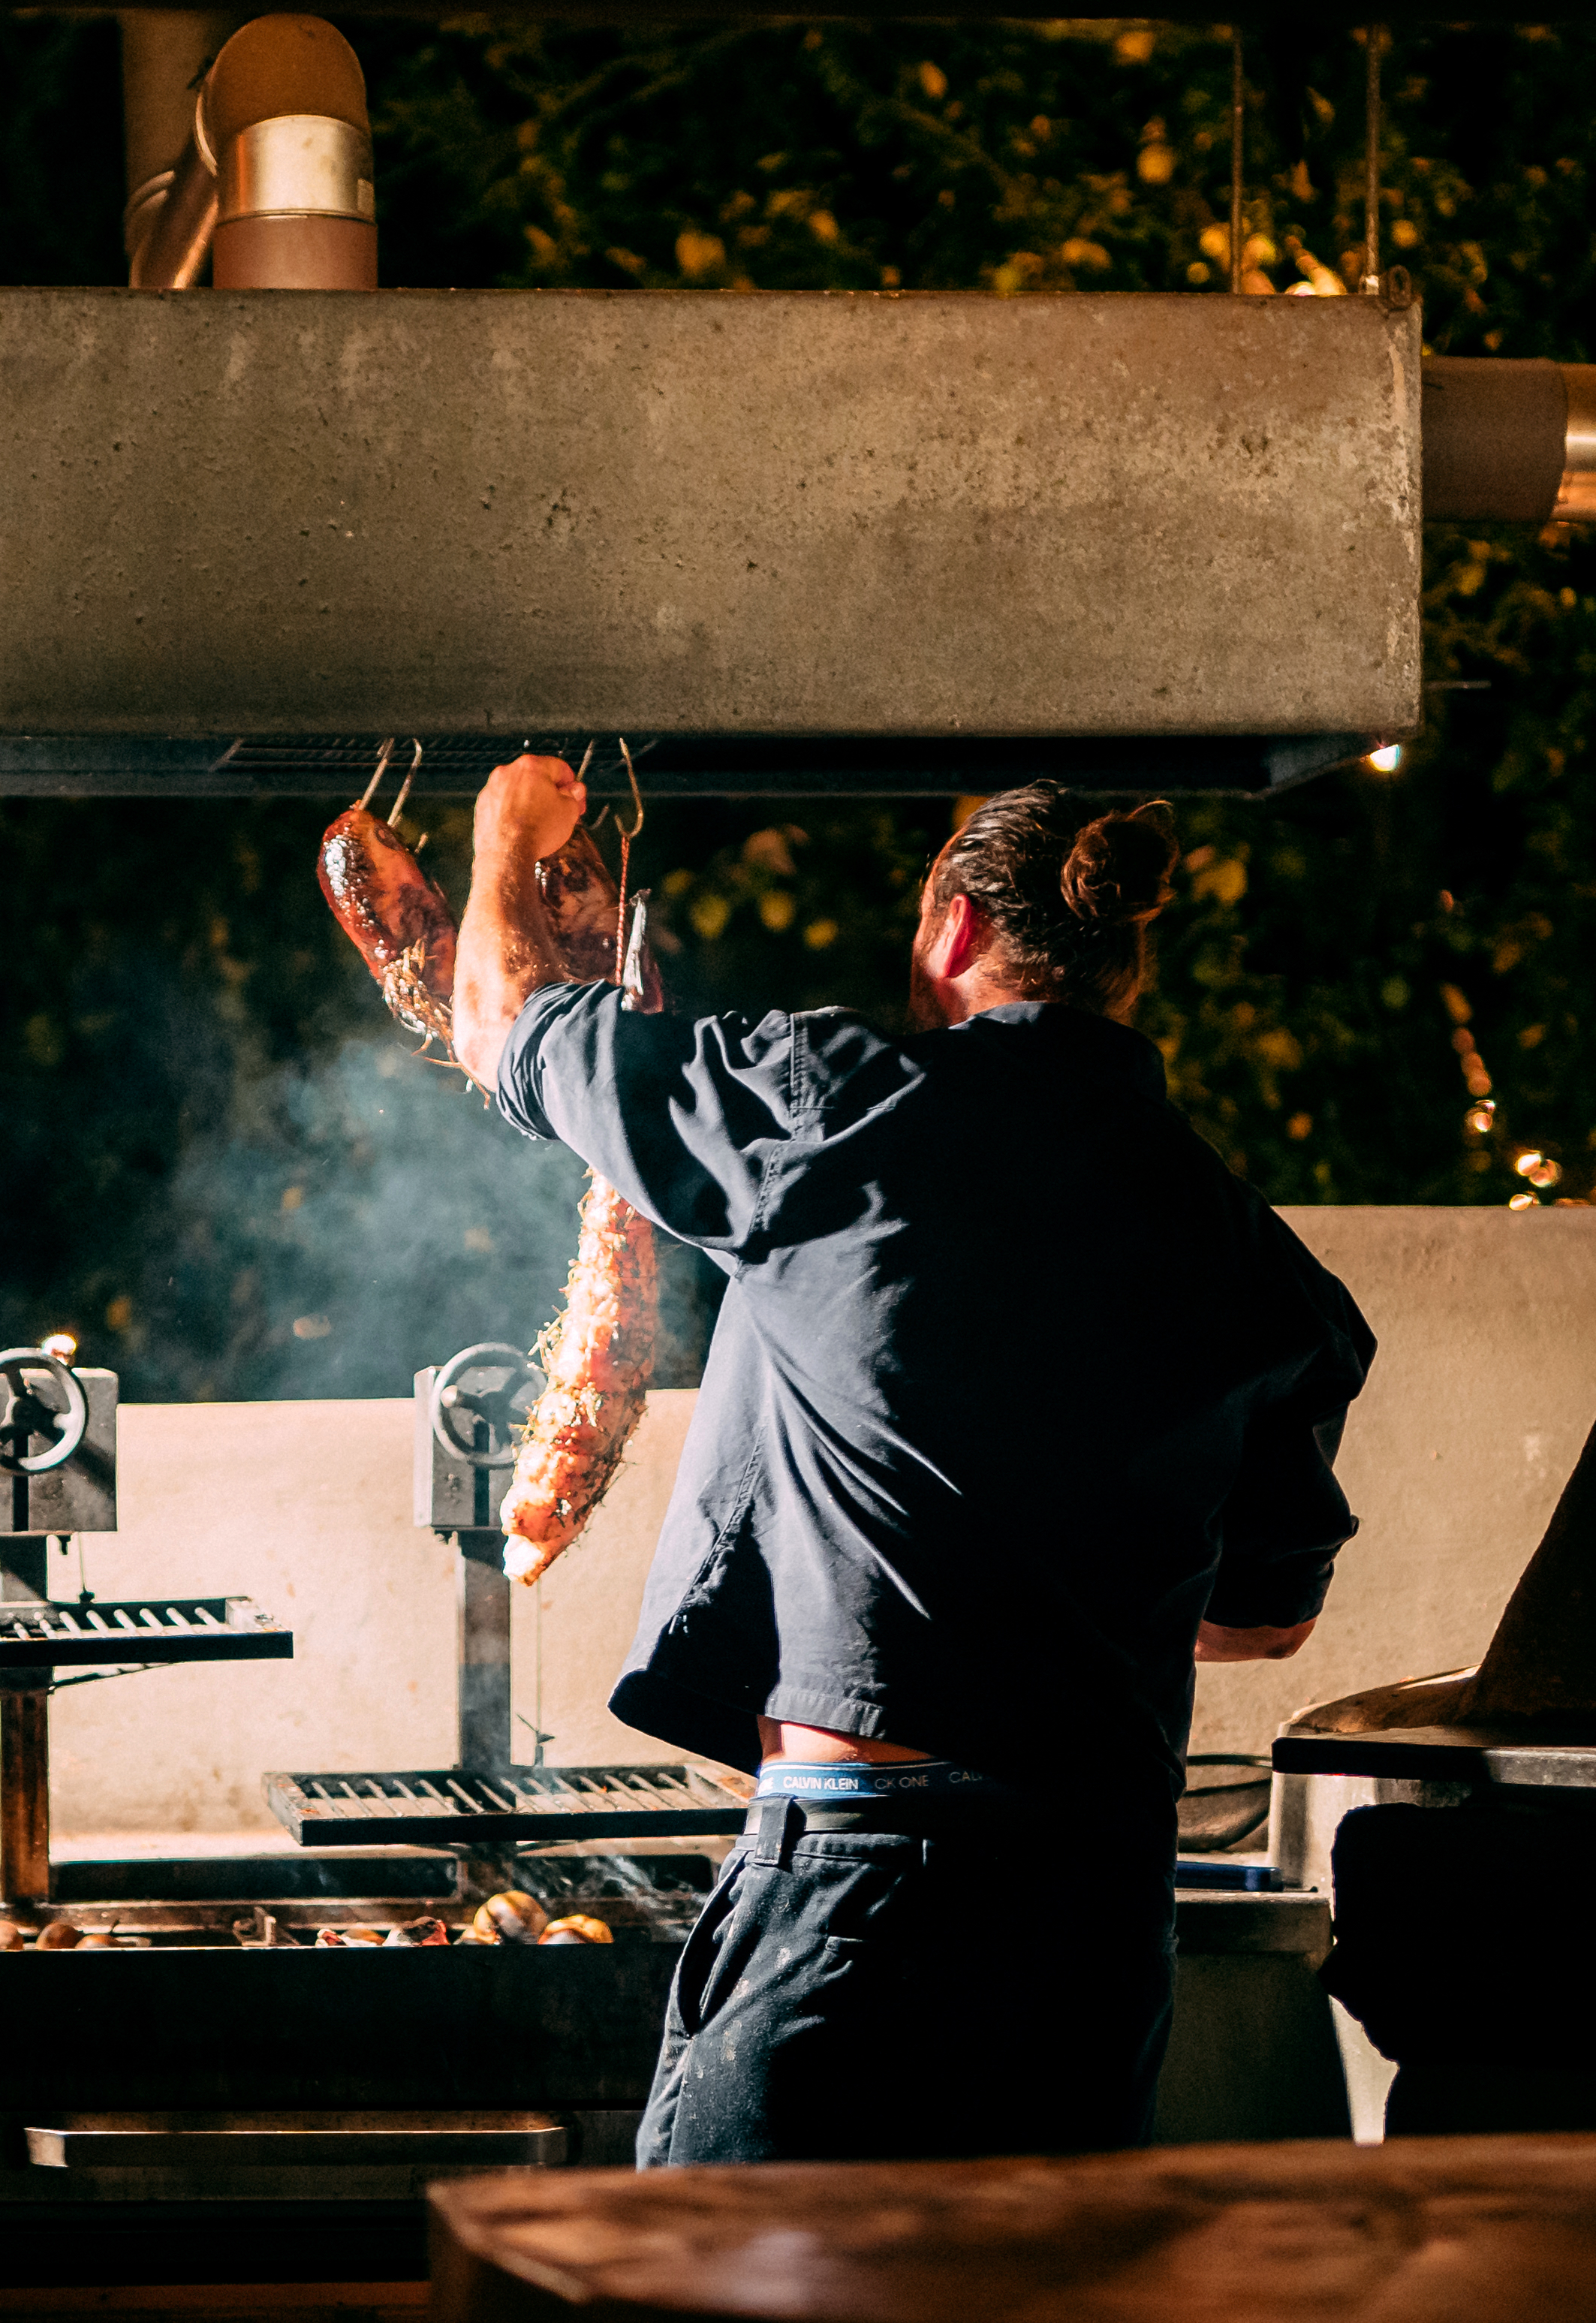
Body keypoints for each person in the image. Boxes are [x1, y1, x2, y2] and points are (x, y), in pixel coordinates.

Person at [450, 758, 1378, 2166]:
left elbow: (505, 1026)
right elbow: (1265, 1615)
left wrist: (504, 832)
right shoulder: (1255, 1258)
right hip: (1092, 1914)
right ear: (1123, 965)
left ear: (949, 928)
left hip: (861, 1883)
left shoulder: (838, 1105)